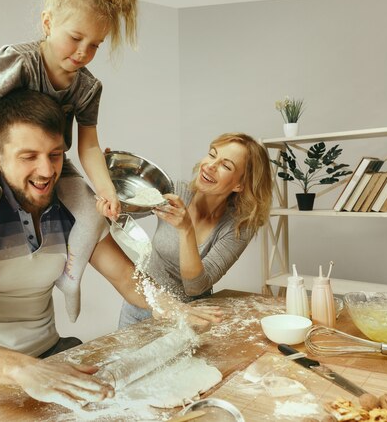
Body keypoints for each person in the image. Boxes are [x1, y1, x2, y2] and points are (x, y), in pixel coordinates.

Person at [0, 89, 221, 408]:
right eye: (29, 156)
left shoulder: (73, 215)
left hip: (53, 360)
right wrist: (21, 368)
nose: (46, 171)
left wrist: (172, 307)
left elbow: (128, 280)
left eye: (55, 154)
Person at [0, 0, 139, 340]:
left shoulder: (88, 86)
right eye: (76, 38)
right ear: (48, 22)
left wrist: (105, 190)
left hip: (54, 161)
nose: (83, 52)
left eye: (96, 45)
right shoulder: (17, 60)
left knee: (92, 215)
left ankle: (70, 277)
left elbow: (89, 146)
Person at [117, 133, 274, 328]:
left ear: (239, 184)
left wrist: (186, 229)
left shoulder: (238, 226)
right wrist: (114, 180)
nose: (210, 166)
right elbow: (119, 211)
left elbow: (195, 287)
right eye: (211, 154)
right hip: (140, 308)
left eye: (226, 166)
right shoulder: (173, 192)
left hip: (191, 317)